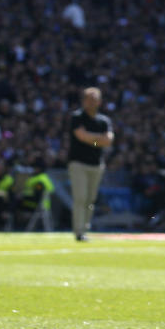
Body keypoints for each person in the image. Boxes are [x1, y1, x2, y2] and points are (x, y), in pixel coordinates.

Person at [68, 87, 114, 242]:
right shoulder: (77, 117)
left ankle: (85, 228)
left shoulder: (104, 121)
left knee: (90, 199)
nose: (90, 102)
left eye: (94, 99)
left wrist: (93, 140)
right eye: (88, 99)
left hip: (96, 165)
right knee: (80, 197)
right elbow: (82, 136)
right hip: (78, 163)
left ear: (99, 102)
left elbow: (108, 141)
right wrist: (97, 141)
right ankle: (79, 231)